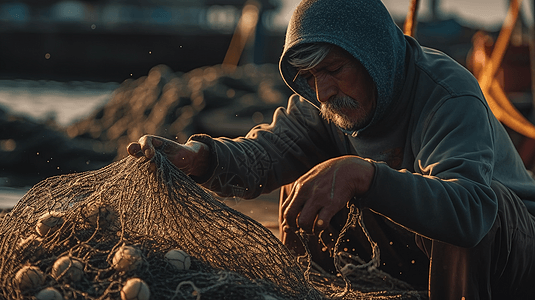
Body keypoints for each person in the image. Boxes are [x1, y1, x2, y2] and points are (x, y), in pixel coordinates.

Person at [127, 0, 535, 298]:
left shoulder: (446, 95)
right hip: (421, 249)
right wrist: (200, 159)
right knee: (306, 191)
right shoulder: (323, 104)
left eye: (334, 70)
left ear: (373, 55)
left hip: (511, 251)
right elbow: (265, 155)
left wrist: (362, 173)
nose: (323, 91)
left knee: (470, 212)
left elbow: (470, 213)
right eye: (309, 76)